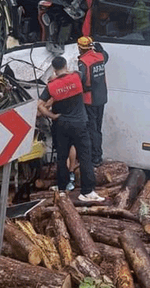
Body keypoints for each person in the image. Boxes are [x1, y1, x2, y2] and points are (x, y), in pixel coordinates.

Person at [38, 56, 104, 202]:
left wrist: (52, 116)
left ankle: (62, 189)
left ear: (54, 68)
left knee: (61, 158)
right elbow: (78, 73)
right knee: (85, 157)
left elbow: (40, 105)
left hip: (61, 125)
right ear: (65, 65)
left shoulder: (51, 86)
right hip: (80, 124)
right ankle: (87, 192)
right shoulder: (76, 77)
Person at [77, 36, 109, 167]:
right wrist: (102, 49)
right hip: (101, 97)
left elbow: (82, 79)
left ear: (80, 48)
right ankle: (97, 155)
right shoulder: (100, 56)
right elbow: (106, 56)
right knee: (98, 127)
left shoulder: (83, 61)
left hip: (89, 99)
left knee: (92, 129)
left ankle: (95, 157)